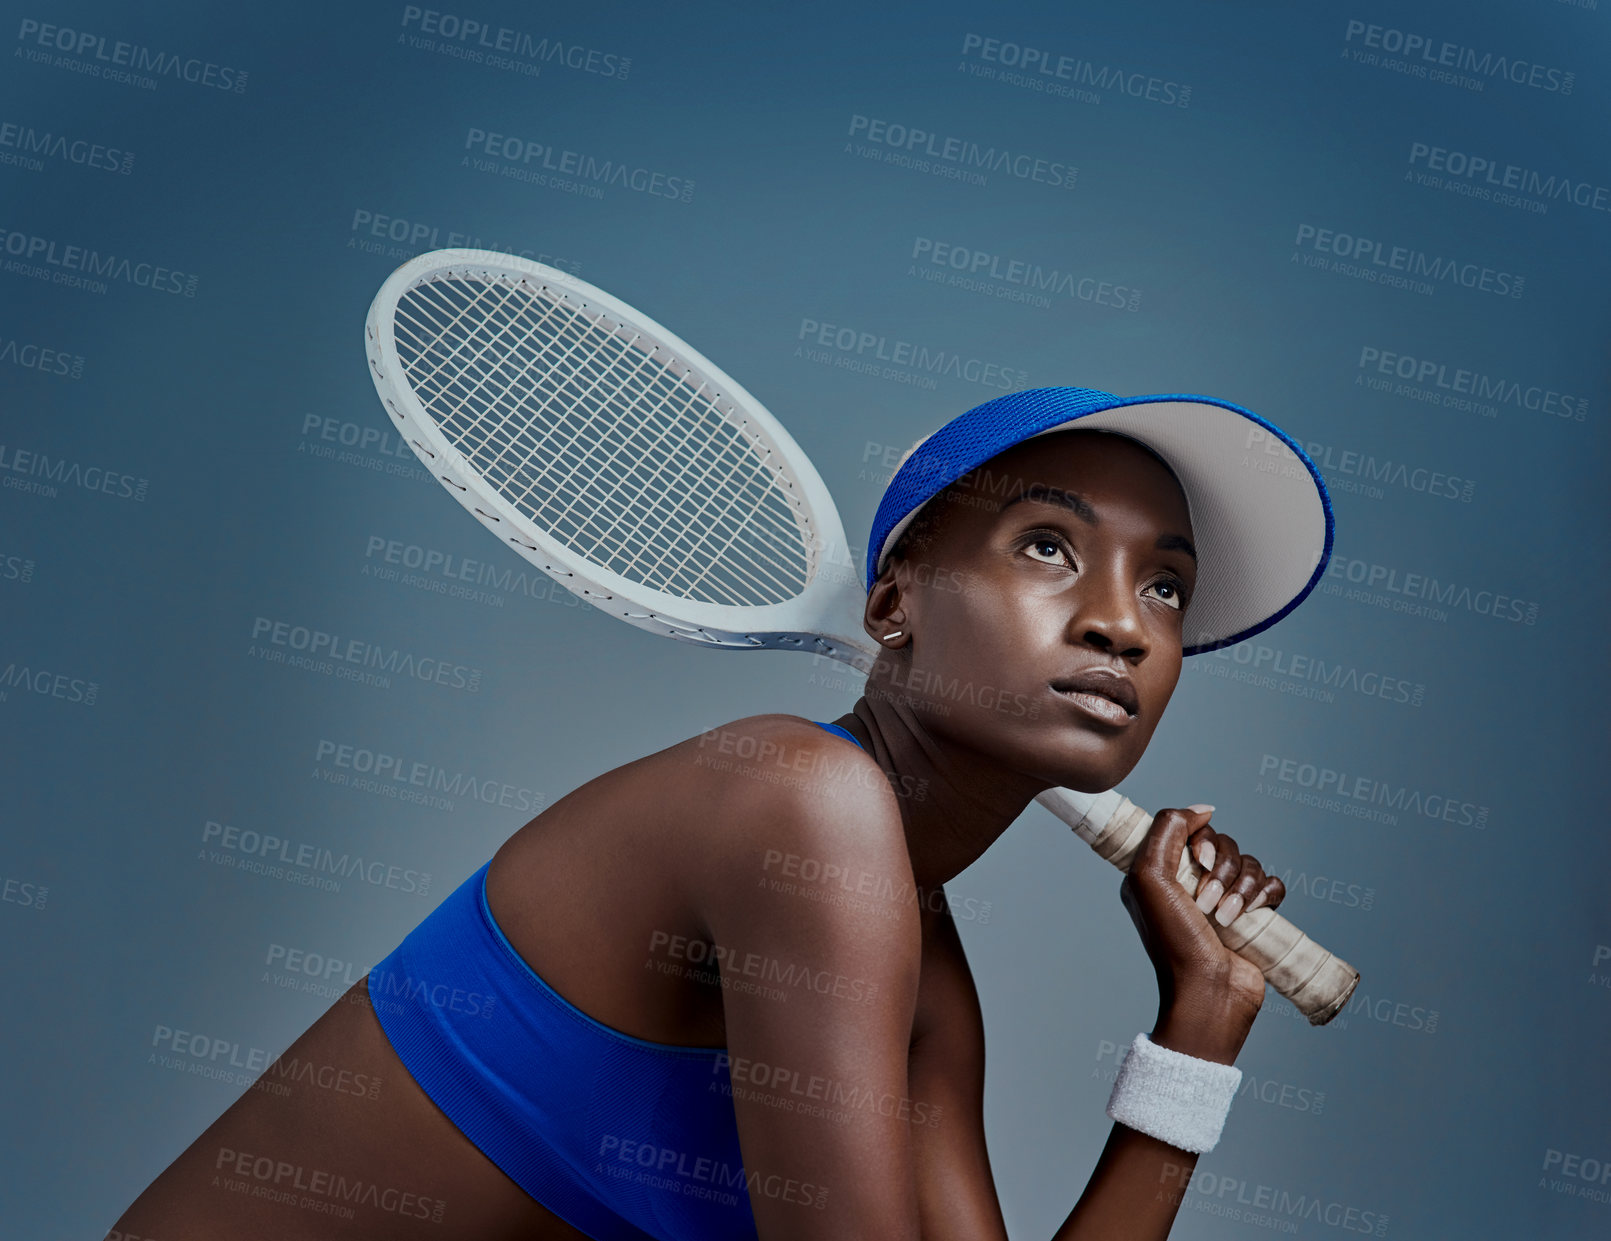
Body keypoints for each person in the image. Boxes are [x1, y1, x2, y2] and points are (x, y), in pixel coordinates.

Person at [109, 385, 1333, 1241]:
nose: (1124, 620)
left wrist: (1198, 1032)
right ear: (896, 603)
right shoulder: (800, 806)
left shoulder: (923, 977)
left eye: (1164, 582)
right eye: (1050, 547)